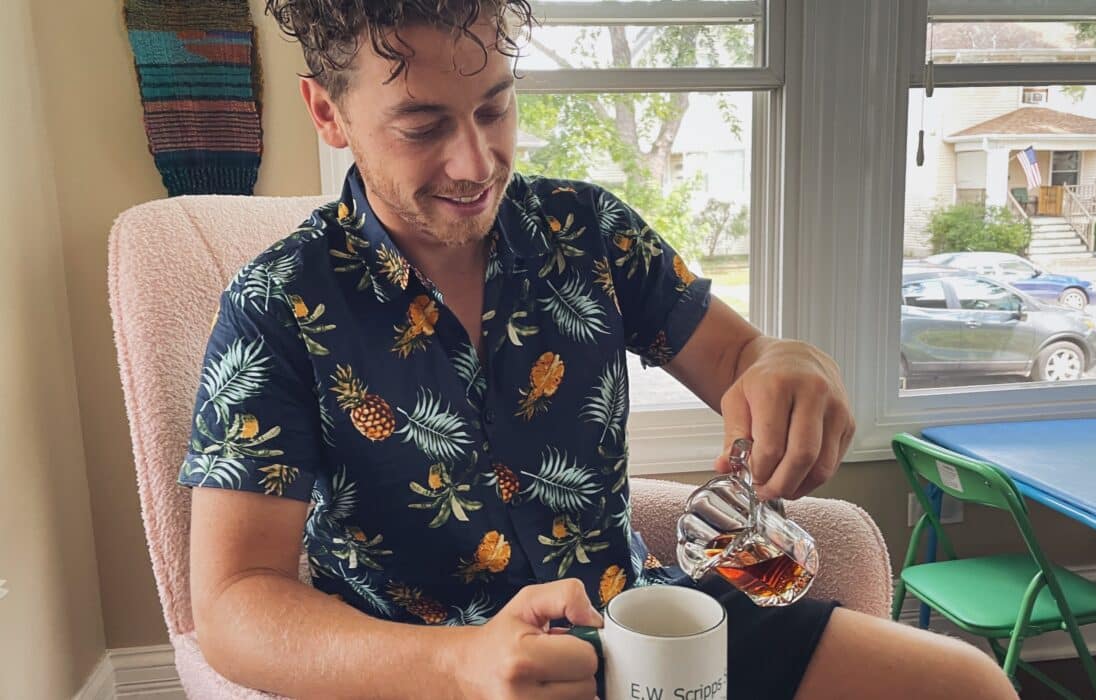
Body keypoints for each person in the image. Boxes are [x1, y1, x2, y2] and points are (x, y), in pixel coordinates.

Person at [182, 1, 1019, 698]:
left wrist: (791, 364)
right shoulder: (277, 305)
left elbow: (743, 360)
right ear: (328, 112)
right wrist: (458, 663)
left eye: (494, 109)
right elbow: (233, 604)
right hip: (426, 669)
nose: (476, 163)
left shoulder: (587, 231)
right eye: (423, 125)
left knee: (968, 685)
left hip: (642, 630)